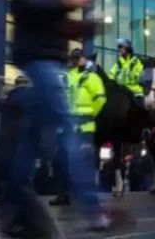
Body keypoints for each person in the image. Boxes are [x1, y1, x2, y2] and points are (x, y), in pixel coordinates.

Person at [10, 0, 111, 234]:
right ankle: (94, 209)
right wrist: (69, 2)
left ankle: (10, 214)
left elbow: (56, 24)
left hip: (49, 57)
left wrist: (90, 26)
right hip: (38, 58)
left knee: (29, 144)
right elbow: (23, 4)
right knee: (67, 131)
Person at [51, 50, 107, 206]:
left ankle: (87, 197)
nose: (75, 61)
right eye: (73, 59)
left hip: (85, 125)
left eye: (78, 58)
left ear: (84, 59)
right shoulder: (66, 77)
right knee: (60, 161)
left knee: (83, 162)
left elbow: (100, 99)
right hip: (68, 125)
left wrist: (89, 114)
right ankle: (63, 194)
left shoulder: (92, 77)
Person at [109, 38, 145, 106]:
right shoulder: (119, 63)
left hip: (135, 93)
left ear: (128, 48)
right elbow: (110, 76)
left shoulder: (136, 62)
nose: (119, 49)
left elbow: (141, 78)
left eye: (121, 46)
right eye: (118, 47)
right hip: (122, 93)